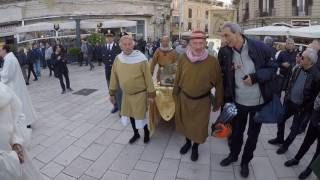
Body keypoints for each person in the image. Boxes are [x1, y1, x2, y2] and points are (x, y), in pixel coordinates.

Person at [218, 23, 276, 178]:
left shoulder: (259, 47)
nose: (224, 39)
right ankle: (233, 155)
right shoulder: (225, 51)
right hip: (238, 102)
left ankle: (245, 162)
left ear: (238, 34)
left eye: (226, 35)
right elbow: (223, 73)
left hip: (258, 103)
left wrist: (255, 78)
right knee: (236, 133)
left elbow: (273, 68)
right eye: (222, 36)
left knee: (252, 135)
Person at [173, 31, 223, 162]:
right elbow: (178, 78)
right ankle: (188, 143)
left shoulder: (212, 61)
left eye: (201, 43)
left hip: (202, 101)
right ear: (189, 44)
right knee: (186, 124)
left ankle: (195, 147)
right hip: (184, 99)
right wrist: (175, 94)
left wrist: (218, 102)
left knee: (199, 127)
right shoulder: (183, 58)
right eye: (195, 43)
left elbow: (219, 83)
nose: (198, 46)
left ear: (205, 44)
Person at [268, 48, 320, 154]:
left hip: (302, 107)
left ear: (310, 61)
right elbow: (291, 83)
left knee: (295, 129)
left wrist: (305, 108)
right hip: (290, 102)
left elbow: (314, 96)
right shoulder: (298, 68)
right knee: (280, 119)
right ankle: (279, 138)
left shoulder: (316, 75)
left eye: (302, 57)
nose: (299, 57)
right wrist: (287, 96)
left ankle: (285, 145)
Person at [109, 35, 155, 144]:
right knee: (131, 115)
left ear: (133, 45)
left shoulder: (141, 58)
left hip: (140, 94)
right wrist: (111, 93)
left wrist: (151, 95)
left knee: (140, 116)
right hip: (126, 95)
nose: (127, 46)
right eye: (124, 44)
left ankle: (146, 132)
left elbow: (148, 78)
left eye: (129, 44)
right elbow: (113, 76)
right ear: (120, 46)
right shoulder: (118, 59)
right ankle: (136, 134)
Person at [0, 82, 44, 180]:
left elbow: (17, 117)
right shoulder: (4, 89)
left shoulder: (4, 89)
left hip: (13, 157)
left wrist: (17, 142)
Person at [284, 74, 320, 179]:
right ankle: (296, 159)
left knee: (318, 151)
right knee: (306, 142)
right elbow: (316, 98)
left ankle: (309, 169)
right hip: (315, 118)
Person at [0, 44, 37, 129]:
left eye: (0, 50)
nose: (0, 52)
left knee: (20, 104)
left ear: (5, 50)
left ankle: (26, 122)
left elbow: (7, 76)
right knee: (22, 103)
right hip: (17, 85)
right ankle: (26, 122)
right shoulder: (10, 58)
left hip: (15, 86)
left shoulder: (9, 59)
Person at [102, 30, 122, 114]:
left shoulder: (118, 47)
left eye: (110, 36)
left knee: (119, 92)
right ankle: (115, 106)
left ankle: (121, 109)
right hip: (108, 74)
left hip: (117, 75)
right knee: (111, 91)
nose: (109, 38)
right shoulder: (102, 47)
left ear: (113, 37)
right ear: (105, 38)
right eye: (107, 36)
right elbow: (103, 60)